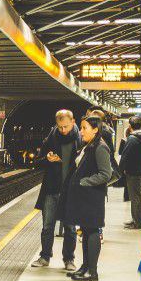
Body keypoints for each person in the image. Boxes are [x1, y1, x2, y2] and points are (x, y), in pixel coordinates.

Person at [64, 115, 113, 281]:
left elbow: (106, 174)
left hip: (92, 198)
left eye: (84, 128)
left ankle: (92, 272)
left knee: (92, 231)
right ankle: (85, 266)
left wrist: (84, 182)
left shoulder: (100, 147)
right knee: (86, 231)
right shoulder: (90, 145)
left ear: (95, 129)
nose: (81, 131)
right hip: (86, 198)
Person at [30, 110, 80, 270]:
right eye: (60, 127)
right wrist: (47, 158)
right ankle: (45, 257)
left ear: (73, 122)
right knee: (47, 226)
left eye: (65, 126)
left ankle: (69, 259)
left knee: (70, 228)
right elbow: (38, 161)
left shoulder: (80, 139)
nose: (63, 130)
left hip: (71, 189)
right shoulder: (51, 138)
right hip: (52, 188)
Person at [117, 114, 141, 230]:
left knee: (135, 198)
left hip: (133, 172)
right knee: (136, 196)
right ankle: (136, 219)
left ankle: (137, 223)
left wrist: (118, 171)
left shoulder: (132, 138)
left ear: (130, 125)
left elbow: (125, 156)